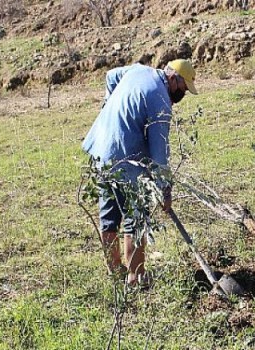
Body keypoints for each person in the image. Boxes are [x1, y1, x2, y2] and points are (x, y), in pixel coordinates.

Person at [82, 59, 198, 286]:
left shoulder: (138, 69)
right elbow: (159, 151)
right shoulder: (160, 100)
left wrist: (110, 105)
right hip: (125, 157)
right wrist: (165, 188)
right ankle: (135, 277)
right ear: (173, 78)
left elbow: (111, 76)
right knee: (136, 216)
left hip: (101, 149)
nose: (181, 96)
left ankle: (116, 273)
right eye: (183, 89)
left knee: (109, 217)